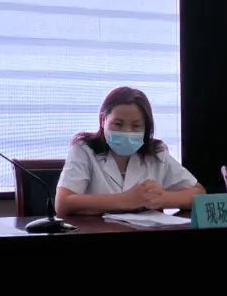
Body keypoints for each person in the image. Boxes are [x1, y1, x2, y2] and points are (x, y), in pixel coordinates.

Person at [55, 86, 205, 216]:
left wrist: (163, 198)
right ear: (102, 121)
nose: (127, 131)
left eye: (136, 126)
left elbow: (199, 193)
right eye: (118, 124)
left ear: (146, 127)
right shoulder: (84, 149)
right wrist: (125, 200)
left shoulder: (157, 152)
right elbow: (63, 203)